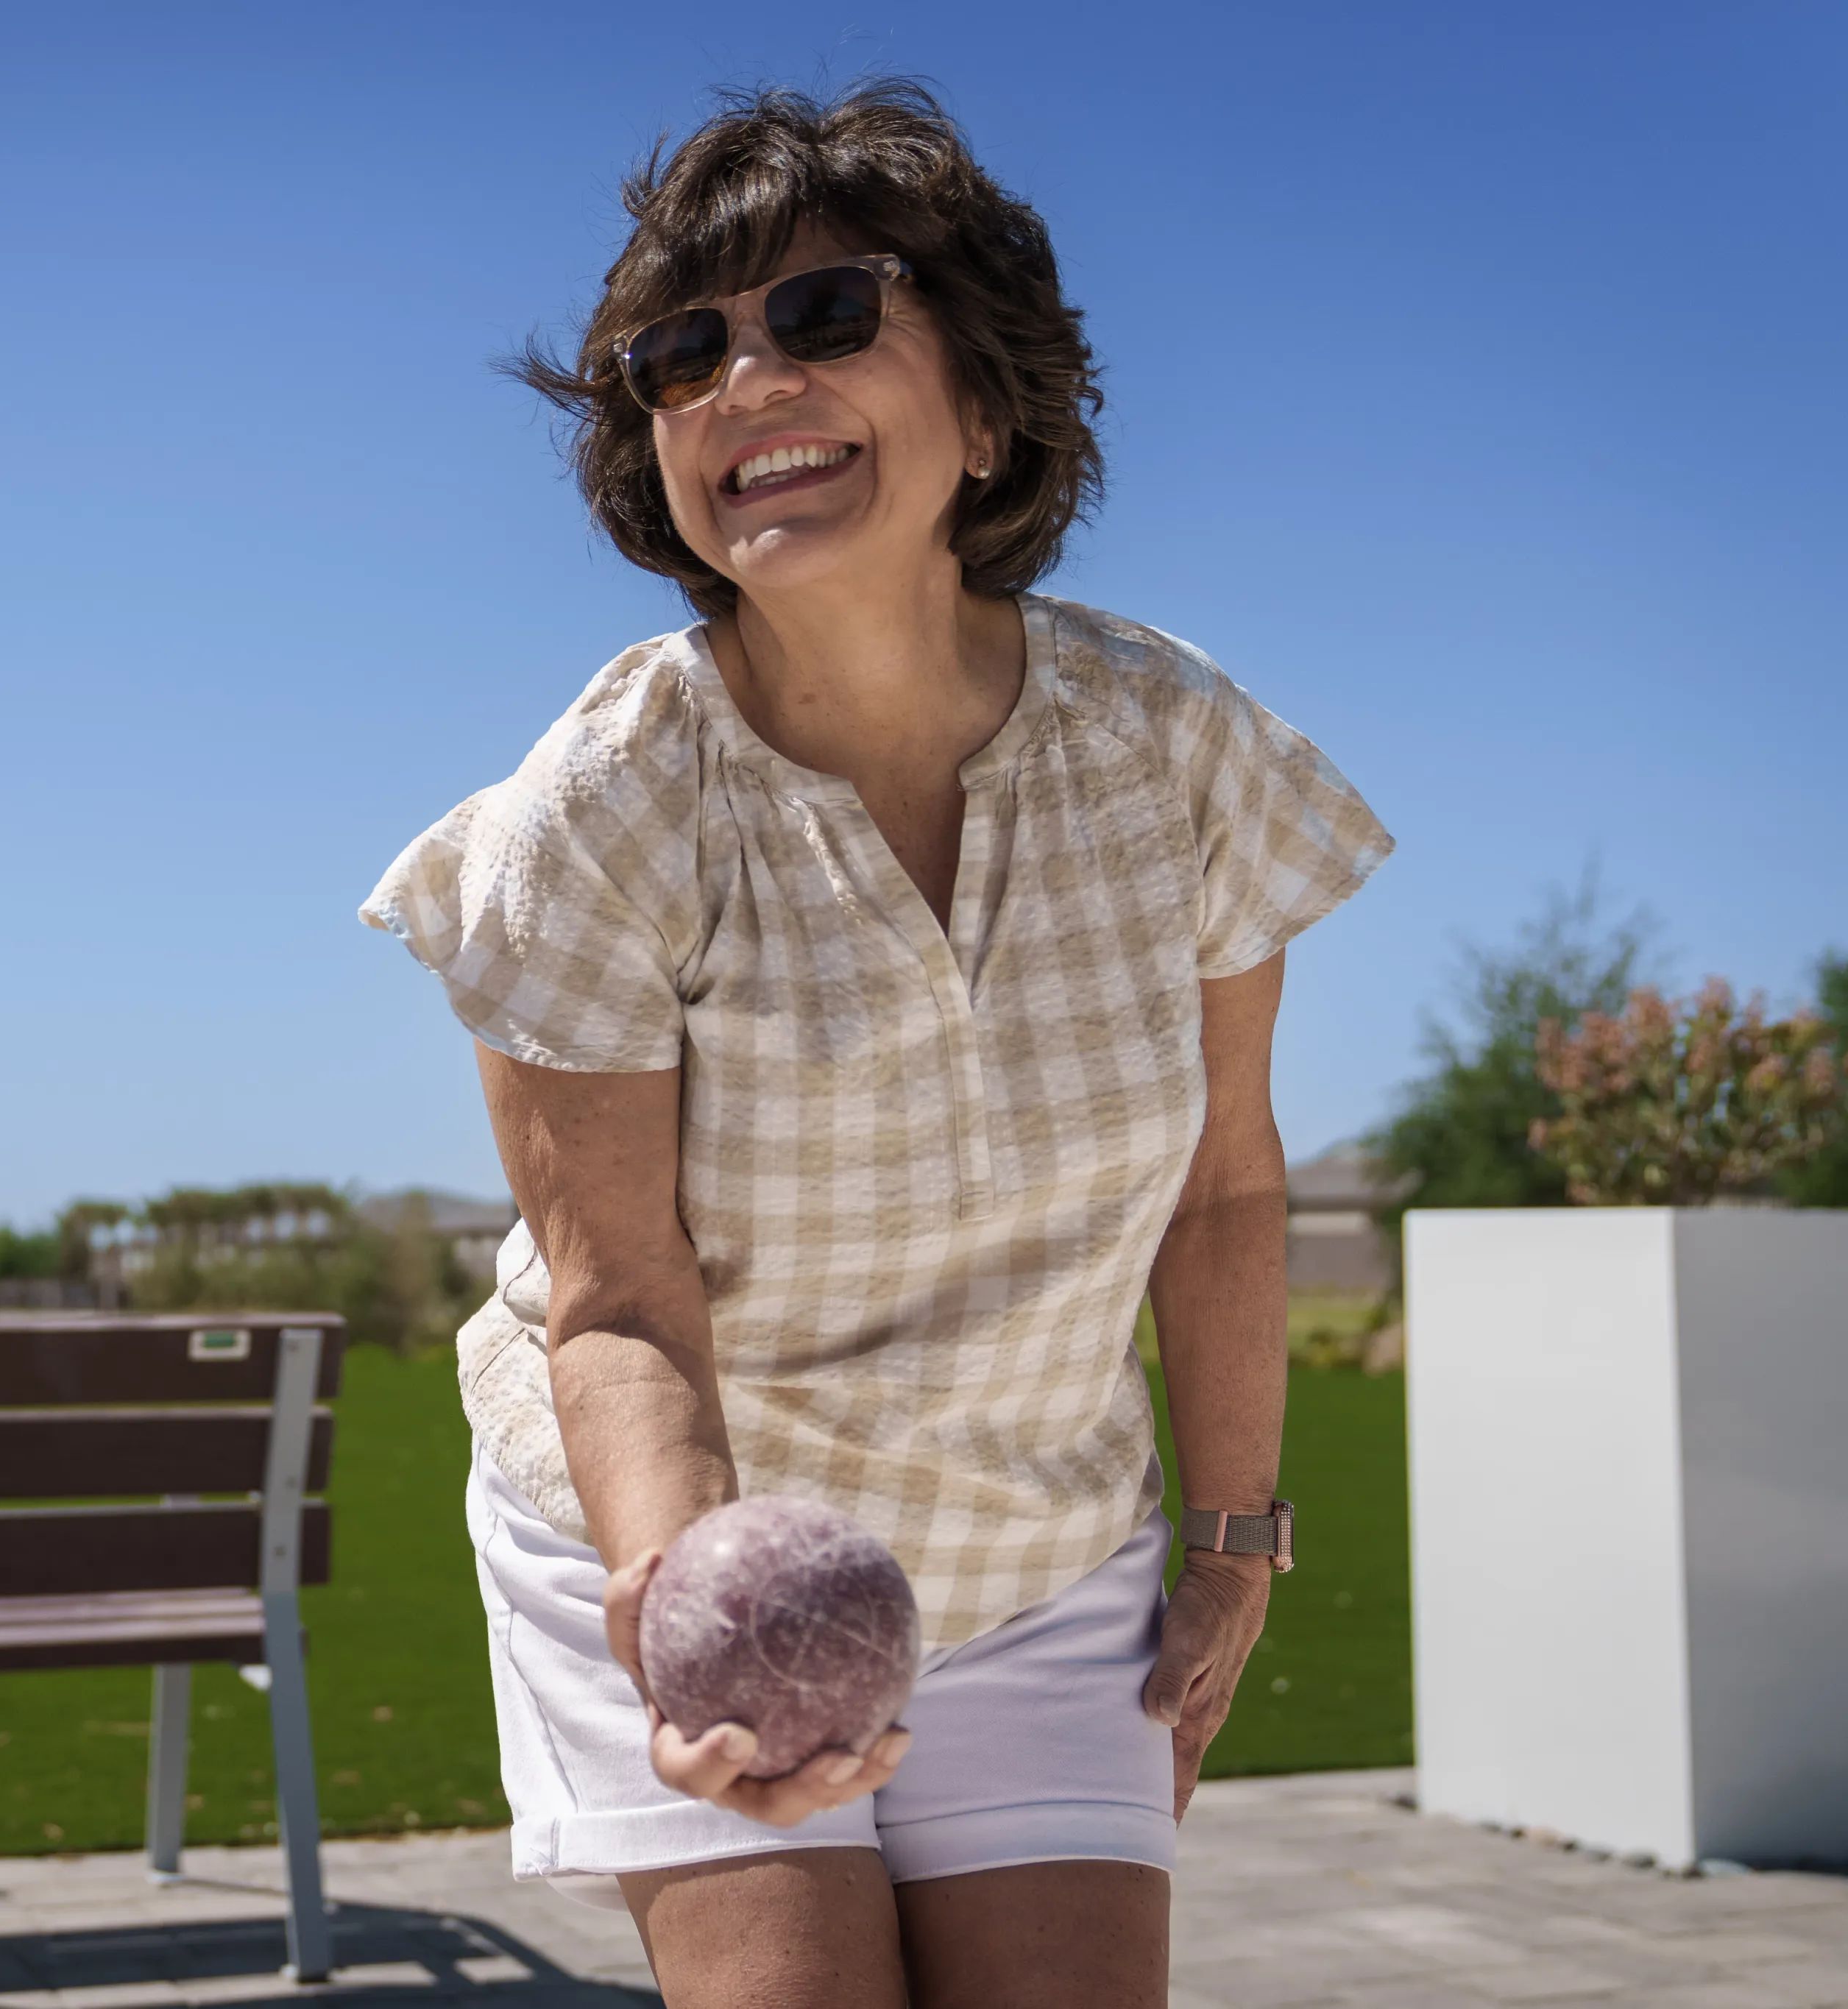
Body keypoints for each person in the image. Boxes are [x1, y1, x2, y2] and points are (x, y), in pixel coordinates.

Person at [361, 83, 1390, 2008]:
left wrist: (1236, 1544)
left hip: (1036, 1530)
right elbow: (618, 1300)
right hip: (711, 1534)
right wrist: (689, 1603)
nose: (744, 376)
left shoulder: (1177, 749)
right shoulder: (597, 809)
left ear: (985, 408)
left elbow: (1230, 1187)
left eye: (825, 315)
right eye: (681, 355)